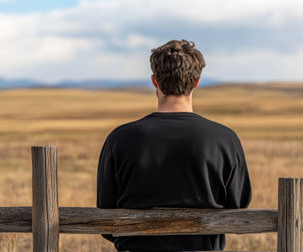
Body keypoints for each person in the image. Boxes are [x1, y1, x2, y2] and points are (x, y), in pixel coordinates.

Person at [97, 39, 251, 251]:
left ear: (154, 81)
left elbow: (106, 216)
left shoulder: (119, 138)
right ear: (197, 81)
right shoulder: (225, 138)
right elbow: (238, 208)